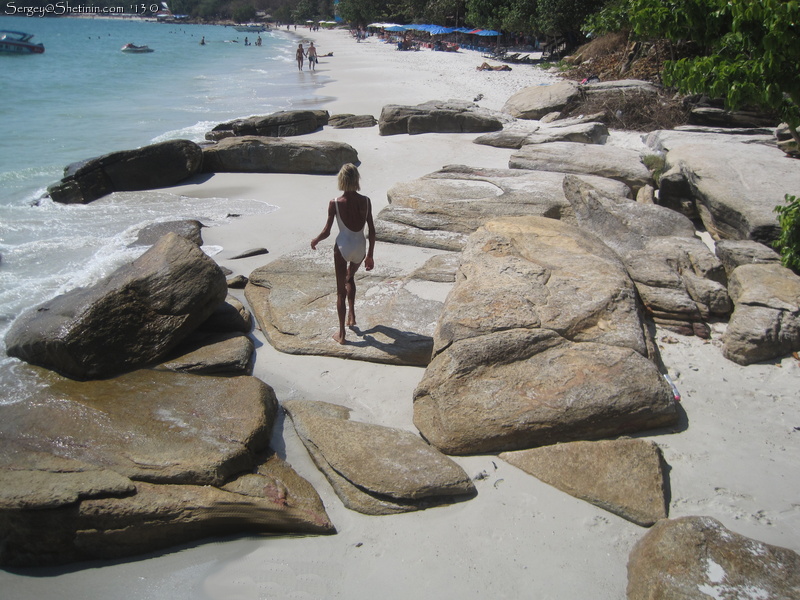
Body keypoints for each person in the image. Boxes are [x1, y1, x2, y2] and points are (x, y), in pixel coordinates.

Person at [310, 163, 376, 345]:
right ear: (356, 180)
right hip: (360, 247)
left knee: (340, 292)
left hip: (343, 247)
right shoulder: (366, 201)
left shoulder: (335, 203)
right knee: (350, 278)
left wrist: (316, 240)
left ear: (342, 180)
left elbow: (327, 231)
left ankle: (342, 334)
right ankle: (352, 316)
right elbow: (371, 229)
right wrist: (370, 255)